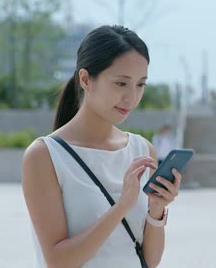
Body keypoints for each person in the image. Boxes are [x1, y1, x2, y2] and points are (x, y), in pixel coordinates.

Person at [22, 25, 181, 268]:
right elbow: (57, 261)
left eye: (140, 85)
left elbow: (147, 260)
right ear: (85, 79)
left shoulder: (143, 151)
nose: (131, 98)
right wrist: (121, 208)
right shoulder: (45, 156)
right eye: (121, 84)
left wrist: (156, 211)